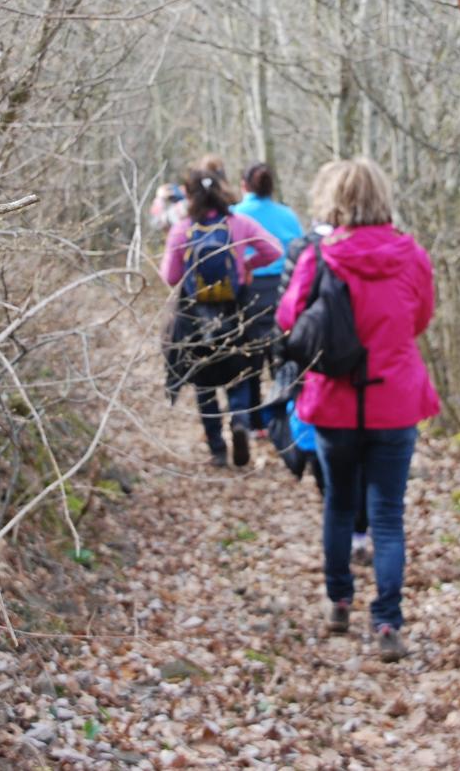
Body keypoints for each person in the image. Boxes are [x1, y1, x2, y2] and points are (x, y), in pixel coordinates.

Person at [276, 157, 436, 662]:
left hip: (333, 401)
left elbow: (288, 317)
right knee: (387, 515)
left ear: (335, 200)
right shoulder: (411, 255)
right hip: (394, 401)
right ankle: (388, 623)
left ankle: (339, 601)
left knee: (340, 504)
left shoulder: (320, 256)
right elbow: (421, 318)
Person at [159, 157, 282, 467]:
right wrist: (247, 267)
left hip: (195, 316)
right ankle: (240, 422)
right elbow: (274, 250)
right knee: (238, 373)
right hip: (234, 309)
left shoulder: (183, 229)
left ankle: (217, 449)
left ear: (189, 195)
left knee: (204, 382)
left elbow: (170, 276)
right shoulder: (237, 223)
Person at [232, 162, 305, 434]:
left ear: (244, 185)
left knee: (249, 357)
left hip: (248, 292)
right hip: (286, 290)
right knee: (283, 357)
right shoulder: (288, 216)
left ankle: (253, 423)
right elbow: (302, 254)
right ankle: (284, 420)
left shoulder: (236, 215)